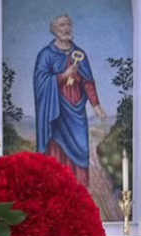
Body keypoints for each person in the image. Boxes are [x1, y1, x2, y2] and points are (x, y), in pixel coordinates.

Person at [33, 14, 106, 187]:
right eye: (62, 25)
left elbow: (88, 81)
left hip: (76, 110)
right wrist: (63, 75)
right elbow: (40, 82)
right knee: (56, 149)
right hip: (56, 110)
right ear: (54, 30)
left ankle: (79, 191)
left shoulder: (80, 54)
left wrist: (96, 105)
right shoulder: (46, 55)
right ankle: (55, 190)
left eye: (68, 24)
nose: (66, 28)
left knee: (80, 147)